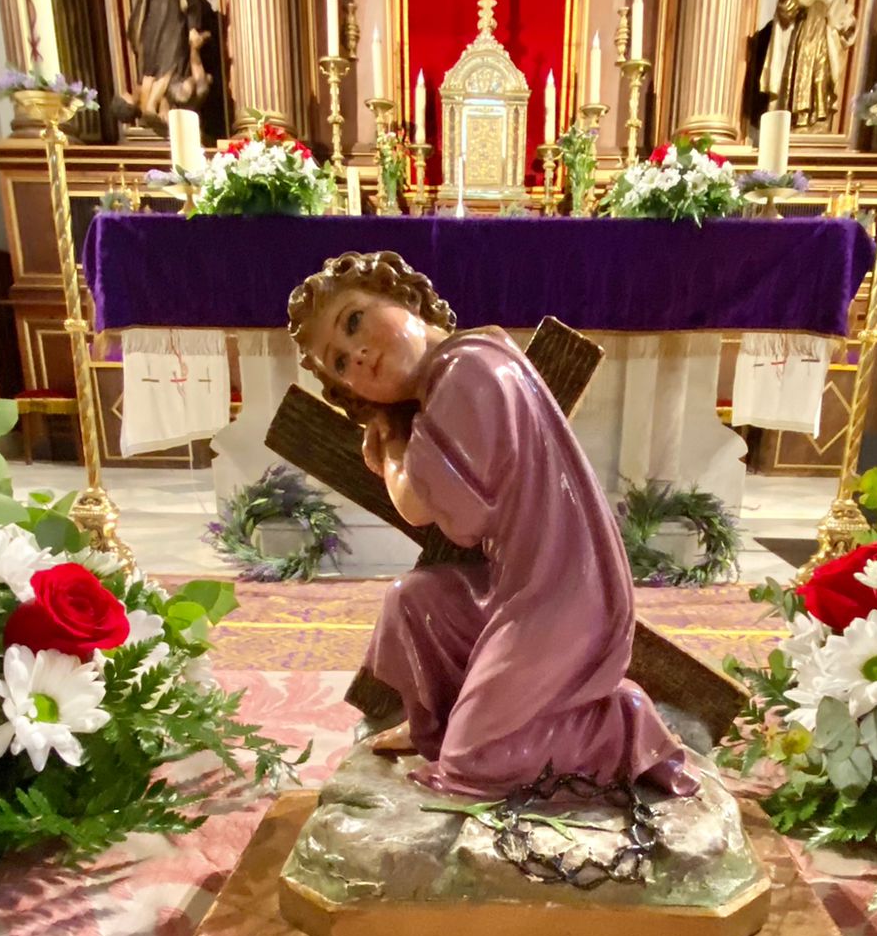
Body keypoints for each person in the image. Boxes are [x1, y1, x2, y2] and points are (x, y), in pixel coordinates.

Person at [286, 251, 696, 800]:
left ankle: (622, 726)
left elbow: (440, 512)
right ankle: (443, 725)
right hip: (524, 585)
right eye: (338, 363)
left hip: (563, 598)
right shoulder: (465, 368)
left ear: (405, 298)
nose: (357, 355)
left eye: (355, 320)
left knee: (476, 764)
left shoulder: (466, 375)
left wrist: (389, 450)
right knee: (414, 602)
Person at [773, 0, 856, 131]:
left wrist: (847, 23)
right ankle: (800, 116)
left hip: (824, 42)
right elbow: (785, 11)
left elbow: (841, 20)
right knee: (802, 74)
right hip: (804, 40)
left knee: (821, 77)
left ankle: (819, 117)